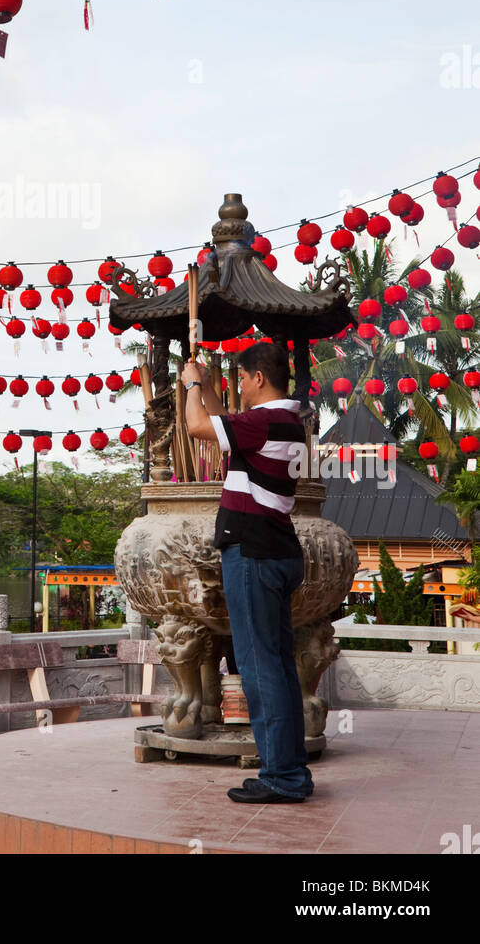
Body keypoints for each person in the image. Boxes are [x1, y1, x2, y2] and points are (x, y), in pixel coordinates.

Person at [181, 341, 312, 804]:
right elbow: (218, 425)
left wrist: (193, 385)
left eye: (242, 380)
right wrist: (211, 388)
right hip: (274, 550)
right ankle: (290, 770)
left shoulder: (267, 420)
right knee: (276, 665)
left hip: (254, 553)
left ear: (258, 378)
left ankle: (282, 776)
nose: (241, 389)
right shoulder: (284, 421)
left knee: (260, 668)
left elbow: (196, 424)